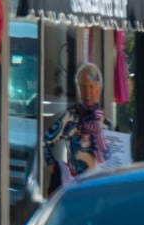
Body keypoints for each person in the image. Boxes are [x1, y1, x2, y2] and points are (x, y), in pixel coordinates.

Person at [45, 63, 113, 191]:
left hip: (100, 187)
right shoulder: (70, 118)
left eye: (91, 87)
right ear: (78, 89)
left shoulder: (106, 123)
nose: (87, 92)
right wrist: (53, 166)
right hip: (76, 187)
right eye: (83, 87)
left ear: (98, 90)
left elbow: (112, 157)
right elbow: (45, 141)